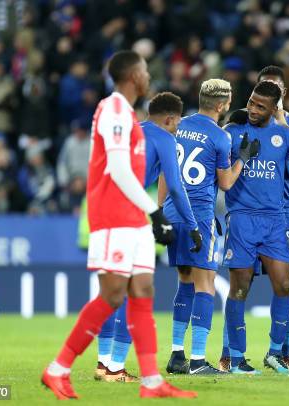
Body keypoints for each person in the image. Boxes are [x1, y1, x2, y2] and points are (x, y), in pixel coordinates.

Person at [41, 50, 197, 399]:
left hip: (134, 217)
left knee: (142, 291)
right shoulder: (112, 109)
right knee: (113, 294)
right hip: (114, 215)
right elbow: (118, 168)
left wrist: (147, 214)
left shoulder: (130, 115)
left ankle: (152, 381)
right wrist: (155, 212)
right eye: (144, 70)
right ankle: (58, 368)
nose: (147, 75)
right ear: (132, 76)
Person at [94, 91, 202, 382]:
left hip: (102, 211)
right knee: (135, 290)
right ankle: (116, 367)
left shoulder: (130, 133)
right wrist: (192, 225)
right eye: (177, 124)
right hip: (127, 215)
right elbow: (176, 188)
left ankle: (104, 363)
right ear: (169, 119)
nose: (177, 129)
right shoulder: (164, 138)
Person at [219, 66, 289, 373]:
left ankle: (275, 352)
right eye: (251, 102)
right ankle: (235, 357)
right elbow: (215, 173)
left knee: (284, 286)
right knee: (240, 289)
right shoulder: (232, 132)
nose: (253, 109)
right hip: (242, 218)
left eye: (261, 106)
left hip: (275, 220)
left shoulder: (286, 136)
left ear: (275, 109)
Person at [163, 79, 258, 375]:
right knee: (205, 284)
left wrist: (161, 211)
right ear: (221, 105)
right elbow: (227, 183)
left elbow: (166, 173)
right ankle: (197, 361)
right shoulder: (219, 137)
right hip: (199, 216)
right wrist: (243, 159)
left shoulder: (178, 127)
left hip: (171, 212)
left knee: (185, 281)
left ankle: (177, 354)